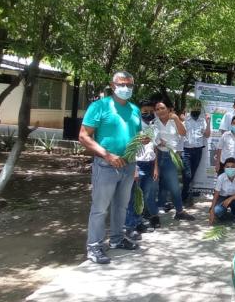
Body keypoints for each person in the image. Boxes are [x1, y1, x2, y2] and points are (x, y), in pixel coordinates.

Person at [79, 71, 142, 264]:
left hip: (128, 165)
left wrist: (143, 141)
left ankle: (116, 239)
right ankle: (94, 247)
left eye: (129, 85)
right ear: (113, 85)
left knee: (121, 206)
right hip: (106, 165)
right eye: (122, 84)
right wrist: (107, 155)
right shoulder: (99, 106)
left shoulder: (134, 109)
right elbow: (83, 136)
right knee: (100, 208)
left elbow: (136, 136)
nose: (126, 88)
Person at [153, 99, 196, 221]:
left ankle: (166, 208)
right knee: (169, 184)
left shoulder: (174, 121)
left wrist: (177, 119)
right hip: (159, 155)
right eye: (157, 109)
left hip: (172, 156)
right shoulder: (155, 123)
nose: (160, 111)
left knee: (169, 184)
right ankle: (177, 210)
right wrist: (158, 142)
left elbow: (183, 133)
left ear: (169, 109)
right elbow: (152, 139)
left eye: (162, 108)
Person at [124, 100, 159, 239]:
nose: (148, 114)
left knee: (143, 197)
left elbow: (155, 148)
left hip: (150, 164)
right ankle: (129, 227)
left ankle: (138, 222)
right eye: (145, 111)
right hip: (137, 164)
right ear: (139, 112)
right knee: (133, 198)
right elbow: (130, 148)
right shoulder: (134, 127)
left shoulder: (154, 127)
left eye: (151, 111)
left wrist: (155, 167)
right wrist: (134, 168)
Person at [182, 104, 210, 205]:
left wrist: (208, 122)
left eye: (198, 108)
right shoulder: (185, 120)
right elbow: (180, 133)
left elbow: (207, 135)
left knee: (192, 174)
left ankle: (185, 195)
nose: (196, 110)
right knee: (187, 174)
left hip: (198, 151)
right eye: (194, 107)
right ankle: (184, 196)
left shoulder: (202, 121)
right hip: (186, 151)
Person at [209, 158, 235, 225]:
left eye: (232, 167)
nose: (230, 169)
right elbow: (216, 195)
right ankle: (224, 214)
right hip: (222, 198)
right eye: (227, 167)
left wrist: (230, 198)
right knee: (217, 211)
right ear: (224, 168)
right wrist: (212, 211)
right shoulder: (221, 177)